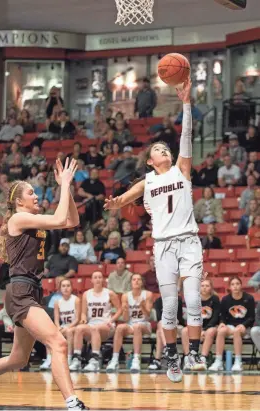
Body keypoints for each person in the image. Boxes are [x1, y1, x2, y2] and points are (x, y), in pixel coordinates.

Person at [104, 78, 206, 383]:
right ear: (150, 161)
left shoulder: (182, 169)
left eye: (165, 147)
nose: (164, 149)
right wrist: (115, 202)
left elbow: (186, 135)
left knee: (195, 301)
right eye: (158, 149)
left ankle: (195, 352)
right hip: (163, 246)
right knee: (171, 308)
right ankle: (172, 355)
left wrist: (186, 102)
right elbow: (125, 198)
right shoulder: (147, 181)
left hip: (189, 242)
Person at [0, 158, 89, 410]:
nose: (37, 196)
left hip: (31, 290)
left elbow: (70, 221)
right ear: (19, 201)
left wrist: (68, 188)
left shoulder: (32, 219)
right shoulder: (18, 219)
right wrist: (63, 184)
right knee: (58, 343)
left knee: (18, 358)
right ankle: (72, 402)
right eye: (31, 193)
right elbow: (61, 217)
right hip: (20, 291)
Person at [69, 271, 121, 372]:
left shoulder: (109, 293)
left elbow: (119, 309)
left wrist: (112, 320)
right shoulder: (86, 294)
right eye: (95, 277)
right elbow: (83, 313)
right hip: (92, 324)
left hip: (106, 325)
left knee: (95, 328)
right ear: (91, 280)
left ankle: (95, 360)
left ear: (103, 280)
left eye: (100, 277)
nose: (97, 279)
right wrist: (83, 319)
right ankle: (77, 360)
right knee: (79, 328)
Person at [106, 273, 153, 372]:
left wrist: (143, 306)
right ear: (131, 282)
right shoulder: (125, 296)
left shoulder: (148, 294)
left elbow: (148, 316)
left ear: (142, 282)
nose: (136, 281)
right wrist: (126, 311)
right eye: (134, 279)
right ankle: (114, 360)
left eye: (138, 279)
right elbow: (126, 319)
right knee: (119, 328)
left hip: (144, 324)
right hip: (131, 324)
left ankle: (136, 359)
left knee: (137, 327)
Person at [209, 277, 255, 372]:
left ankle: (238, 361)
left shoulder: (249, 298)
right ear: (230, 287)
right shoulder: (226, 299)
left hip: (244, 327)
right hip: (230, 326)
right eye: (233, 284)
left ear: (241, 285)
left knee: (237, 331)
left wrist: (244, 325)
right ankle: (218, 361)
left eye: (237, 284)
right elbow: (222, 315)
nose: (235, 286)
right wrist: (221, 323)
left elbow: (251, 317)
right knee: (221, 331)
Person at [182, 279, 220, 370]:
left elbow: (215, 317)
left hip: (210, 326)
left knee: (210, 331)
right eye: (202, 286)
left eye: (207, 286)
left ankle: (203, 359)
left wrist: (204, 329)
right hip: (197, 327)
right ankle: (188, 359)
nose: (204, 288)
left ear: (211, 288)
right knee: (184, 331)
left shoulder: (215, 299)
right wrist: (199, 331)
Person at [148, 295, 183, 371]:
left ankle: (158, 359)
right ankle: (168, 349)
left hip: (177, 326)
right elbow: (159, 318)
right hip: (164, 328)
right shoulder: (158, 301)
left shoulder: (178, 299)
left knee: (160, 329)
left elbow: (179, 318)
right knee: (160, 328)